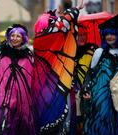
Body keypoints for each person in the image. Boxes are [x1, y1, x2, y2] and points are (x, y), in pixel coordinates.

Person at [32, 0, 83, 134]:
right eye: (51, 22)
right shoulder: (43, 39)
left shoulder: (46, 40)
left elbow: (60, 26)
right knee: (52, 124)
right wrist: (75, 9)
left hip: (51, 88)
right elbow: (61, 25)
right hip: (49, 90)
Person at [82, 15, 118, 135]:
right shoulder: (99, 53)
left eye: (112, 33)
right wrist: (86, 90)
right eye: (106, 34)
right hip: (101, 103)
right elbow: (90, 74)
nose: (109, 37)